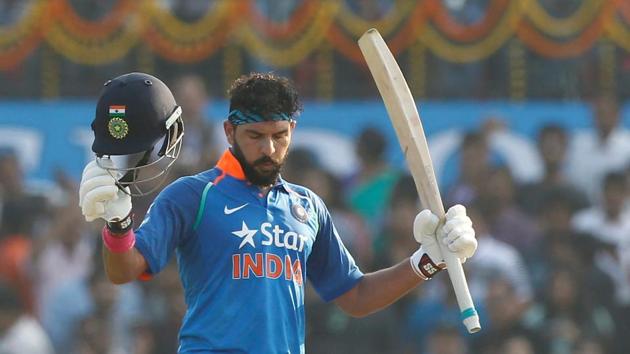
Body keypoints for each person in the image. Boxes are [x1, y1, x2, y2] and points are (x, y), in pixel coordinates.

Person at [78, 72, 478, 353]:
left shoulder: (307, 206)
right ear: (230, 132)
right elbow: (123, 271)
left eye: (279, 136)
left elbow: (355, 296)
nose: (269, 150)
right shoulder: (192, 195)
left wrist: (428, 261)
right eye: (255, 137)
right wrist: (119, 223)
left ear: (292, 133)